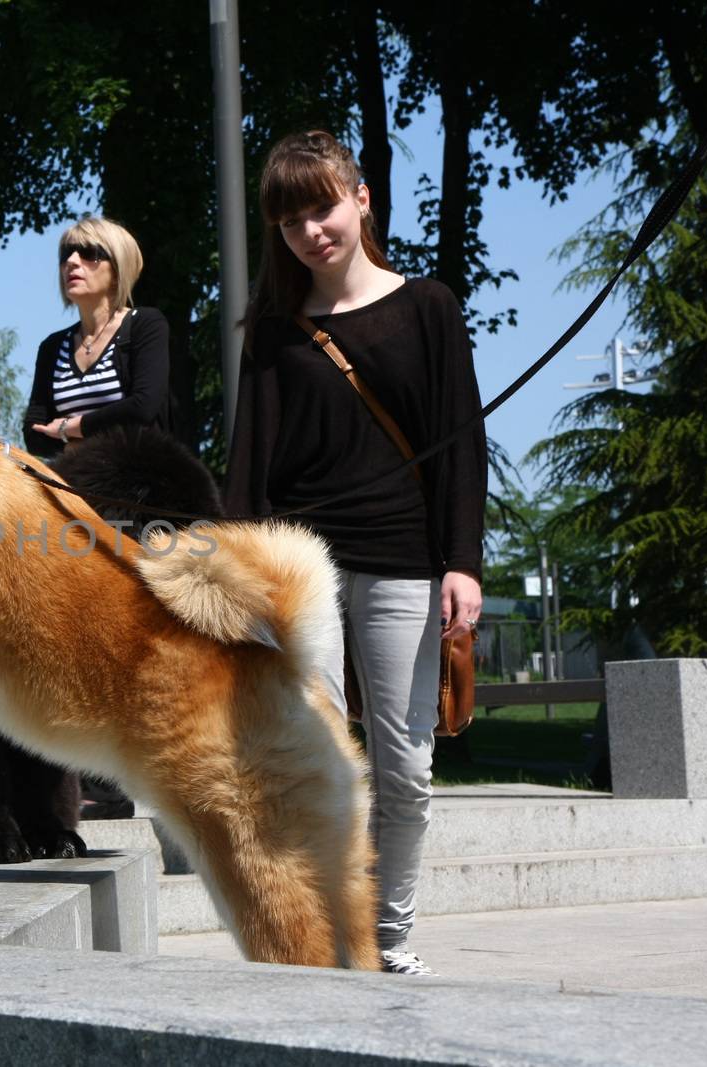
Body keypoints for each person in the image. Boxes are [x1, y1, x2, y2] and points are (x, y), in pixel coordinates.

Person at [223, 130, 487, 976]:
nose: (311, 229)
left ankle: (391, 938)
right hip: (298, 570)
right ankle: (331, 939)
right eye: (290, 217)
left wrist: (463, 561)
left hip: (406, 560)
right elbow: (246, 469)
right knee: (318, 760)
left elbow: (462, 447)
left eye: (323, 205)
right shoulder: (271, 332)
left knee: (406, 771)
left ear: (362, 197)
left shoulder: (429, 308)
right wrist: (238, 579)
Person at [22, 216, 170, 456]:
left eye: (89, 253)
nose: (71, 261)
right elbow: (34, 435)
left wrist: (69, 427)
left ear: (117, 267)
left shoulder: (145, 325)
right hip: (73, 485)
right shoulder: (52, 347)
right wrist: (84, 438)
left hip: (138, 486)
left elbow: (143, 408)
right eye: (66, 255)